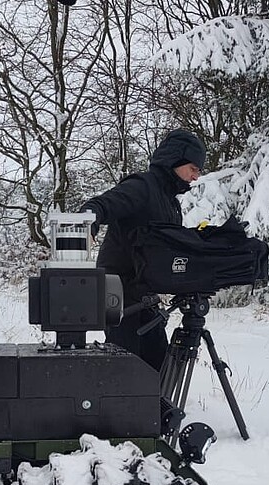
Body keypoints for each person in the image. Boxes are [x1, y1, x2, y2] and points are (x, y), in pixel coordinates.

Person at [81, 129, 206, 370]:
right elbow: (101, 204)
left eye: (198, 171)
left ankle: (156, 406)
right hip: (120, 295)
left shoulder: (171, 202)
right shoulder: (143, 186)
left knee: (156, 365)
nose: (195, 176)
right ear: (176, 159)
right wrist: (89, 222)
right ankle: (119, 407)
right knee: (129, 369)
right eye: (193, 168)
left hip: (147, 297)